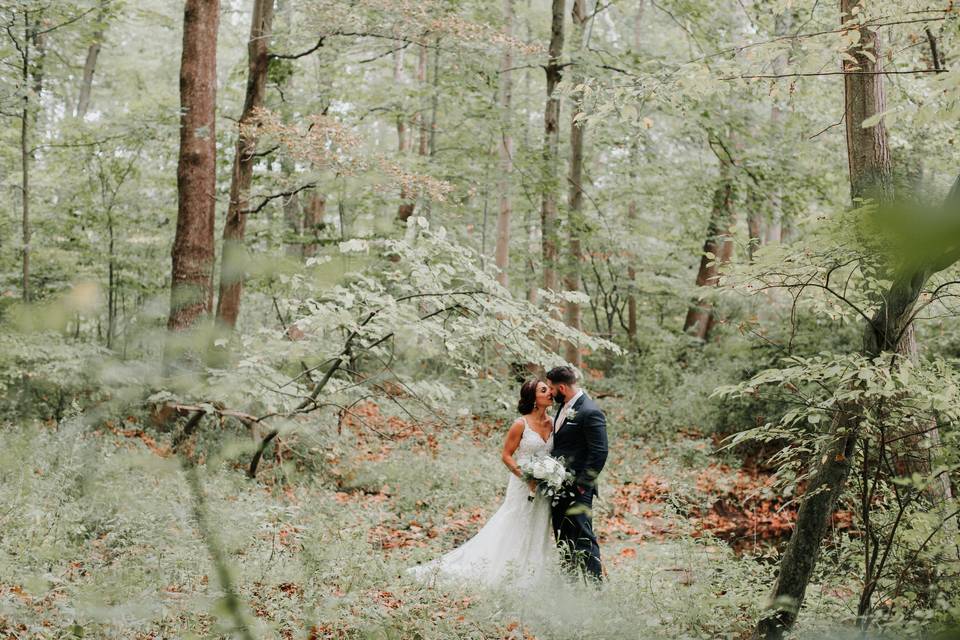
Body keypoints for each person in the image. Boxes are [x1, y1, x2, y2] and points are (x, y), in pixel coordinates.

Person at [408, 379, 560, 587]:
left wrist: (551, 474)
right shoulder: (520, 424)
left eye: (549, 389)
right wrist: (526, 477)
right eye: (544, 390)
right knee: (516, 522)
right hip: (522, 482)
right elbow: (506, 455)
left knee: (539, 523)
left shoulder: (554, 422)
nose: (550, 393)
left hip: (544, 486)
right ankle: (506, 571)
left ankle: (533, 575)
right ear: (533, 398)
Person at [546, 365, 608, 583]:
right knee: (562, 536)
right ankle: (571, 587)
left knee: (584, 538)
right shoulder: (562, 408)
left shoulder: (590, 411)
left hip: (578, 489)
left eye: (551, 389)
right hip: (557, 486)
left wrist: (581, 485)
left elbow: (600, 452)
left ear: (562, 387)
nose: (549, 393)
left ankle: (596, 589)